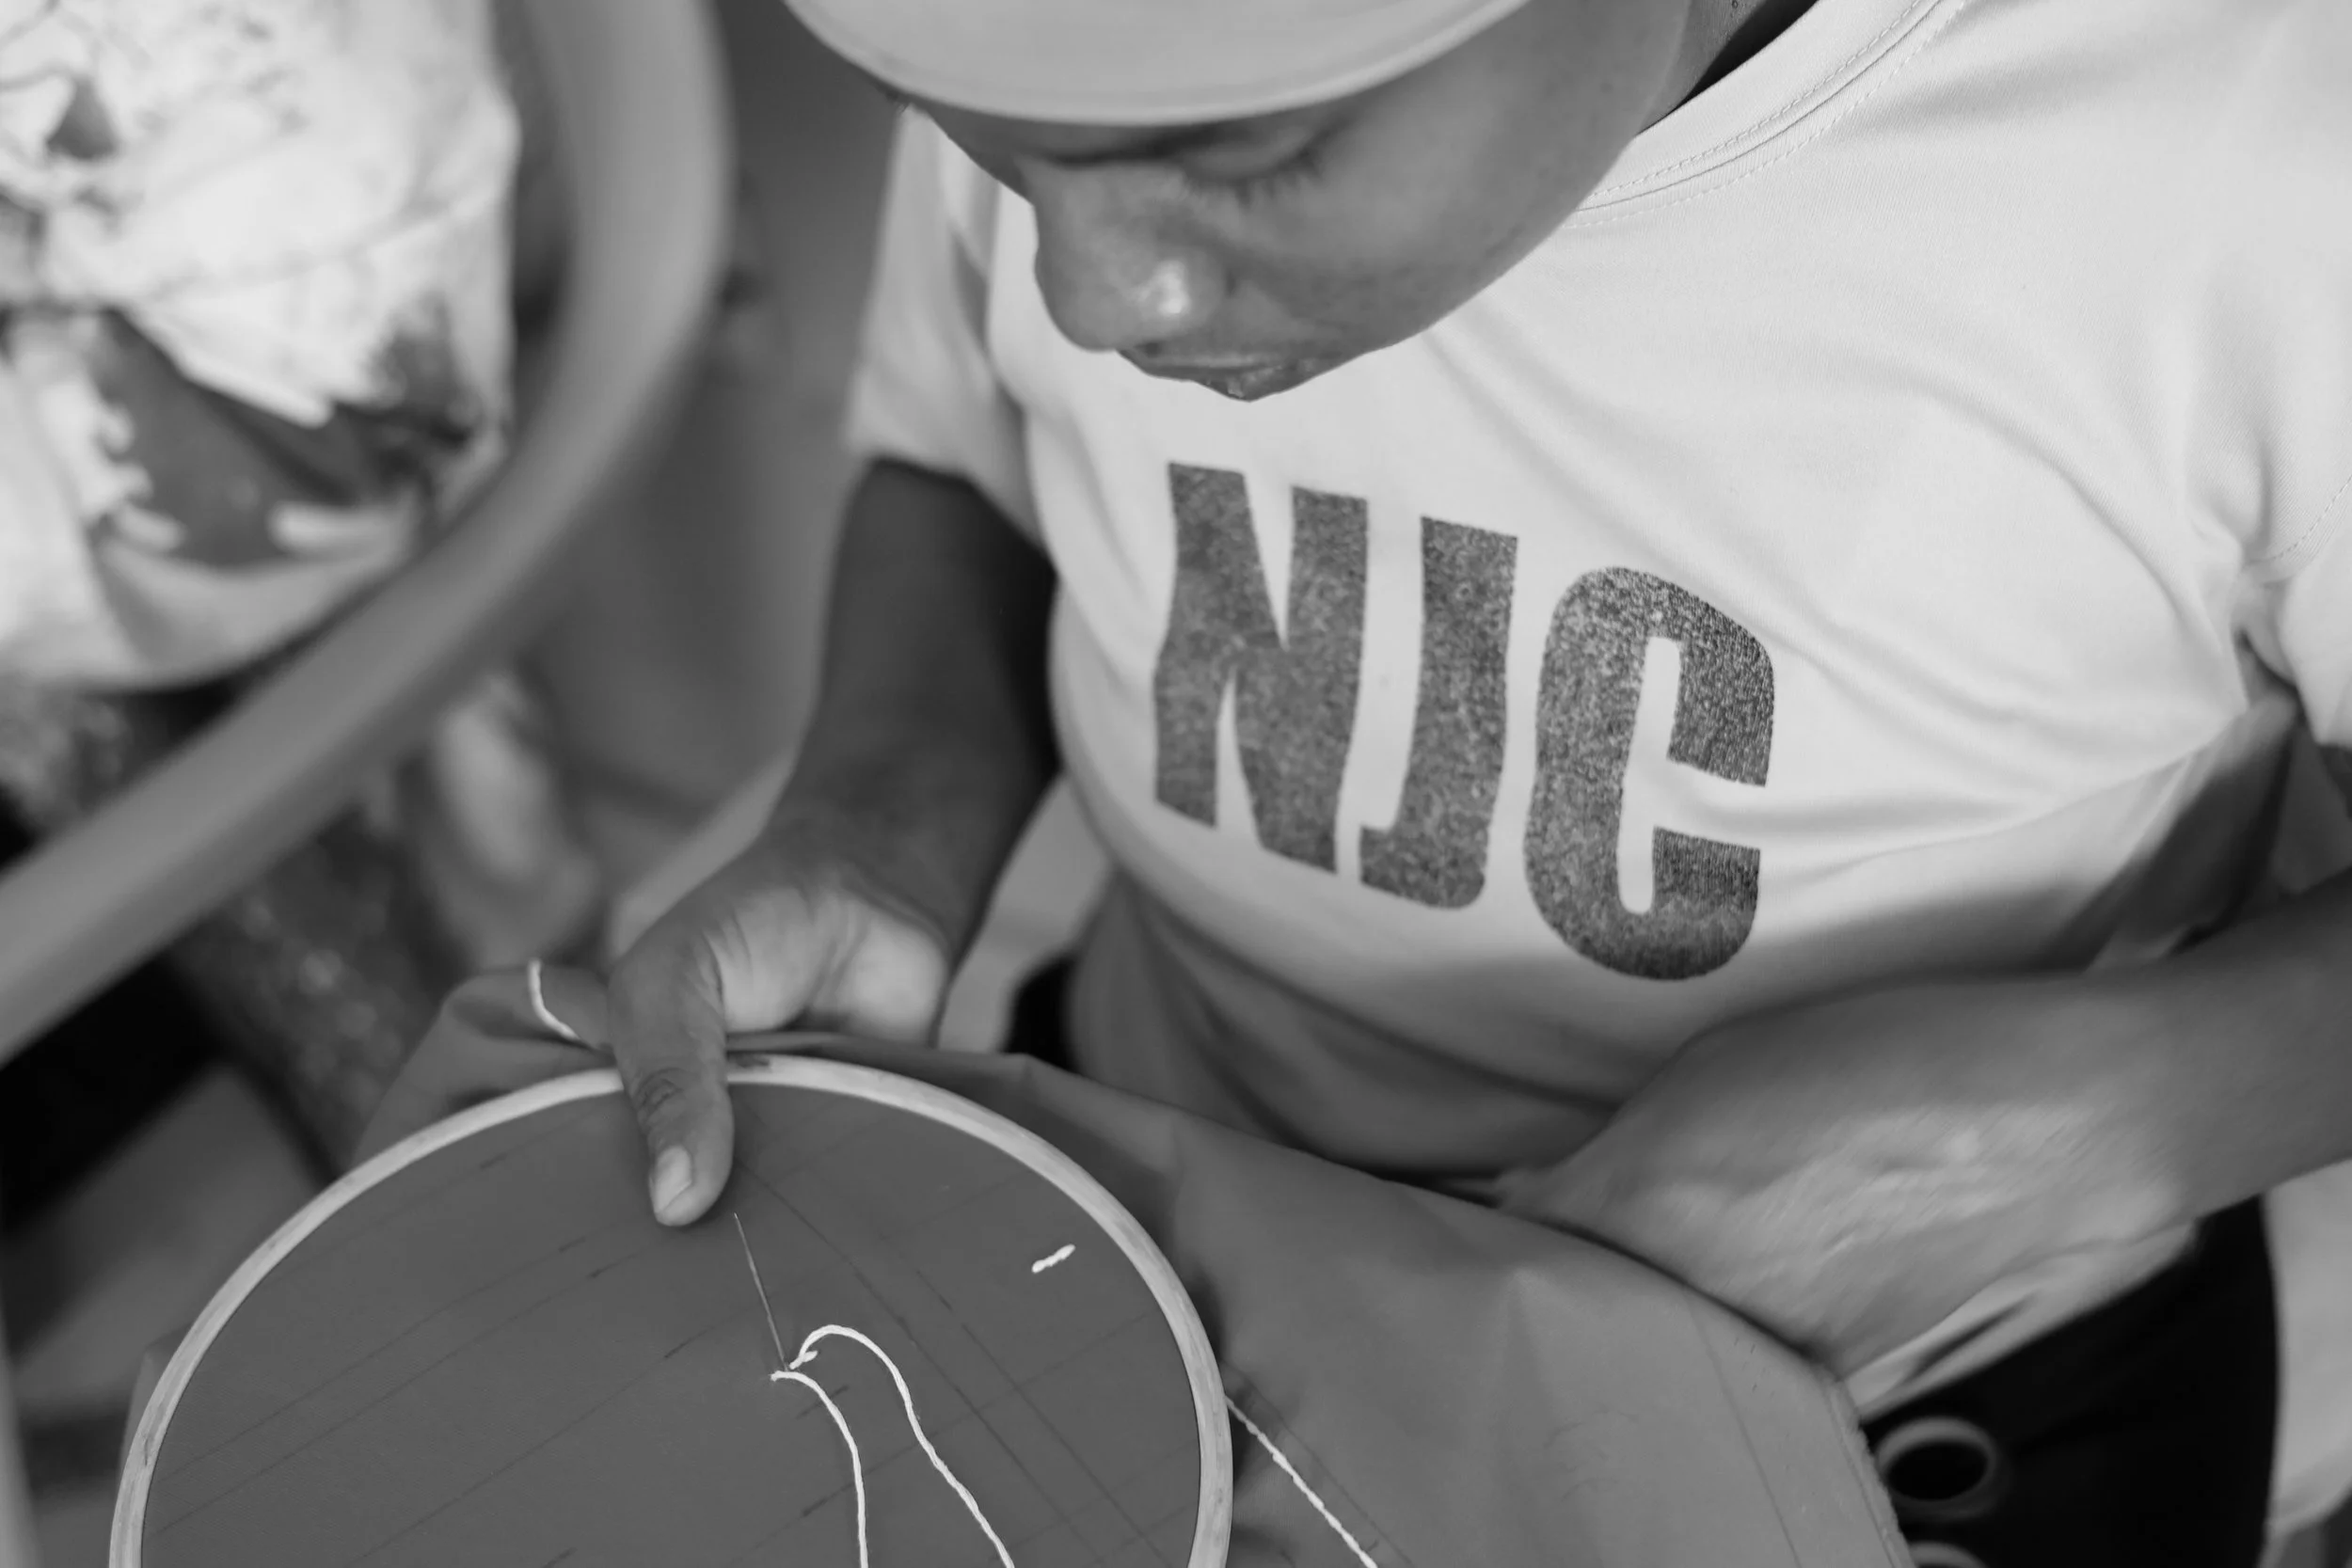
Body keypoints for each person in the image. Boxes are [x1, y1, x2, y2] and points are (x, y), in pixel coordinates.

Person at [370, 0, 2352, 1560]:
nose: (1096, 293)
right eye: (1009, 163)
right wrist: (876, 824)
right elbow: (969, 454)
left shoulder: (2241, 157)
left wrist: (2078, 1122)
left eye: (1247, 160)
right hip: (1170, 1190)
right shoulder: (1064, 67)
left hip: (1924, 1366)